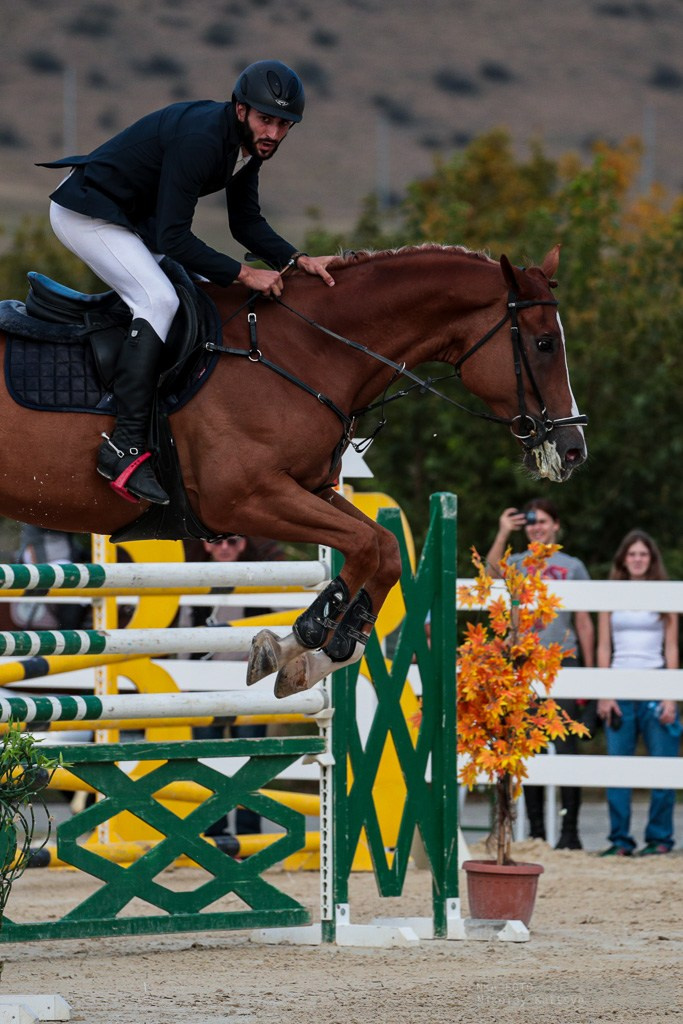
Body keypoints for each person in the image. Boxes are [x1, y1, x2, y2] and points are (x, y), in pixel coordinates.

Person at [39, 59, 336, 506]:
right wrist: (244, 272)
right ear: (241, 111)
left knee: (200, 297)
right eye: (266, 120)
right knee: (159, 300)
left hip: (133, 221)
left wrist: (297, 260)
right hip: (88, 214)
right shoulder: (201, 139)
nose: (274, 132)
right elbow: (174, 237)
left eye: (283, 124)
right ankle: (124, 447)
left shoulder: (246, 147)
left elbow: (246, 223)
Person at [486, 498, 595, 849]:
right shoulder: (516, 563)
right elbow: (489, 574)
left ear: (556, 525)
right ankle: (536, 831)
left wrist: (592, 672)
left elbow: (583, 620)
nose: (537, 526)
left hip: (563, 661)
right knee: (527, 747)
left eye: (544, 521)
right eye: (532, 521)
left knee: (566, 746)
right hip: (524, 663)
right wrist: (504, 531)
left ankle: (570, 831)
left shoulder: (572, 566)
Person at [180, 534, 285, 837]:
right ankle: (215, 834)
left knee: (250, 759)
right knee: (208, 759)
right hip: (203, 682)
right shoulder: (193, 582)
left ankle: (249, 836)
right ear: (206, 545)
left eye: (232, 542)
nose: (224, 547)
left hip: (249, 683)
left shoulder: (260, 582)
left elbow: (274, 635)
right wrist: (184, 678)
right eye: (217, 541)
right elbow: (184, 633)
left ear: (243, 545)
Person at [597, 530, 680, 857]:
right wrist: (604, 693)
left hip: (656, 683)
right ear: (623, 559)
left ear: (652, 559)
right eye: (632, 554)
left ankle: (659, 838)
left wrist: (671, 694)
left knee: (663, 765)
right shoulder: (609, 595)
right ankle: (620, 840)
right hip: (618, 684)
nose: (637, 559)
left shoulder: (666, 594)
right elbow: (604, 645)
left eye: (643, 554)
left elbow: (671, 646)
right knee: (618, 767)